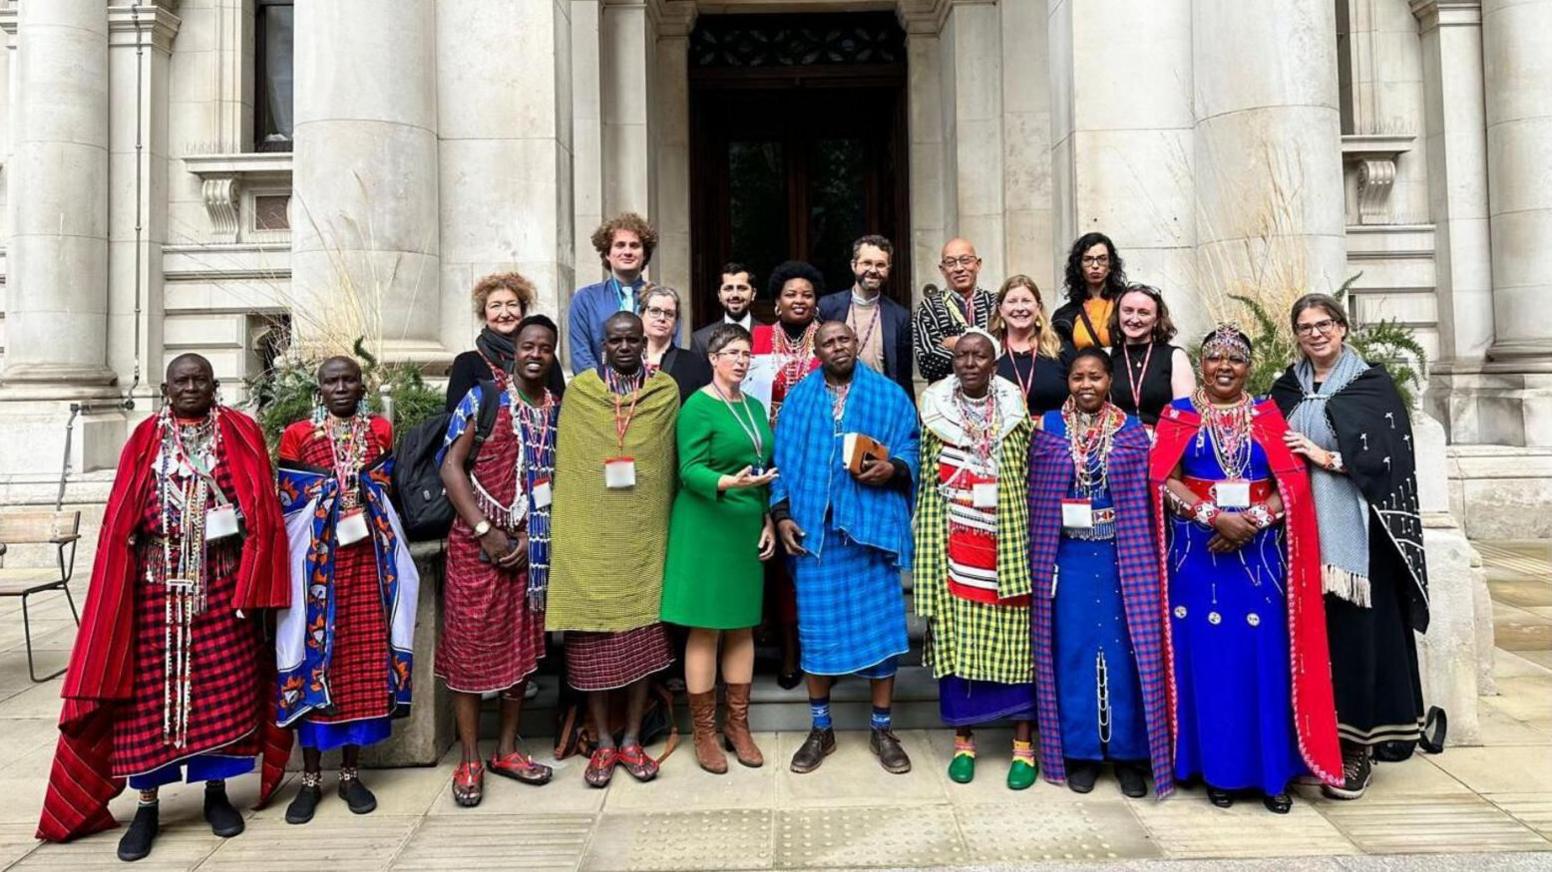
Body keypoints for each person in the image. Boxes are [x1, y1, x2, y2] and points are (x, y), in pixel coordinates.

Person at [37, 355, 291, 861]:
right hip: (154, 589)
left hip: (220, 587)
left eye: (201, 379)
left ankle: (216, 796)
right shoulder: (144, 440)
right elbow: (119, 518)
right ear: (166, 388)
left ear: (215, 386)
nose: (191, 387)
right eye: (182, 380)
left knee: (226, 688)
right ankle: (148, 806)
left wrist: (240, 524)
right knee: (148, 702)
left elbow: (263, 505)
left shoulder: (240, 432)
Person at [1150, 325, 1342, 813]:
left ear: (1249, 368)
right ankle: (1218, 771)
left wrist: (1253, 520)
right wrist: (1213, 516)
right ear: (1202, 365)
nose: (1224, 367)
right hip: (1197, 554)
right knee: (1210, 665)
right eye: (1214, 358)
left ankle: (1272, 774)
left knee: (1265, 661)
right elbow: (1163, 480)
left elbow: (1292, 483)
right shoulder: (1180, 415)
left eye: (1234, 360)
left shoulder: (1267, 416)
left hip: (1260, 559)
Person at [1272, 293, 1429, 800]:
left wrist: (1324, 456)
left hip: (1356, 544)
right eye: (1305, 327)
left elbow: (1390, 461)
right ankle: (1311, 741)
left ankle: (1356, 748)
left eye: (1323, 324)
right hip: (1296, 534)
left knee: (1355, 638)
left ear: (1342, 328)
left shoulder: (1371, 387)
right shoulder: (1285, 389)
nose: (1315, 334)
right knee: (1307, 640)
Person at [275, 356, 421, 823]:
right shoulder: (298, 435)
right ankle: (312, 779)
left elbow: (388, 488)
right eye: (331, 380)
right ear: (318, 388)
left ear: (362, 384)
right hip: (316, 569)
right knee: (316, 660)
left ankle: (351, 775)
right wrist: (329, 497)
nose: (341, 387)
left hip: (368, 565)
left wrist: (360, 492)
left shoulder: (379, 429)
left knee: (361, 663)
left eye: (349, 380)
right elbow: (289, 502)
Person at [772, 321, 920, 775]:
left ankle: (882, 729)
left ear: (856, 344)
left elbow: (913, 448)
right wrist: (781, 517)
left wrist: (893, 469)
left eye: (844, 340)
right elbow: (778, 461)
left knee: (883, 633)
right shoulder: (798, 399)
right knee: (815, 634)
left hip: (870, 532)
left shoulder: (889, 394)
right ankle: (821, 729)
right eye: (828, 342)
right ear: (816, 350)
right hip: (817, 536)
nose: (837, 347)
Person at [1027, 348, 1173, 798]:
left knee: (1126, 653)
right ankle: (1081, 753)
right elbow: (1037, 490)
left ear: (1110, 380)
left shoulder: (1133, 431)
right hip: (1067, 559)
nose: (1086, 385)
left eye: (1095, 377)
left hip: (1120, 558)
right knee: (1071, 653)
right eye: (1077, 378)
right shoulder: (1047, 428)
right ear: (1067, 381)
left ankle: (1129, 755)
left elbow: (1147, 495)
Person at [549, 312, 680, 787]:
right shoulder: (582, 392)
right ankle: (603, 741)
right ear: (603, 344)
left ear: (645, 342)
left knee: (642, 639)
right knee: (593, 645)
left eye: (632, 339)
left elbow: (667, 459)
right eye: (615, 339)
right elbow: (573, 463)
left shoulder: (663, 391)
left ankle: (631, 740)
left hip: (644, 536)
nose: (624, 346)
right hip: (589, 538)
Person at [437, 315, 564, 806]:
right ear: (514, 351)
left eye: (545, 348)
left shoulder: (556, 408)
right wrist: (486, 532)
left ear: (553, 356)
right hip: (477, 544)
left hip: (530, 547)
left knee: (521, 651)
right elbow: (451, 466)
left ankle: (508, 749)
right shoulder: (485, 399)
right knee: (469, 651)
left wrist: (533, 539)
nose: (535, 354)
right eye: (528, 345)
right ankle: (469, 757)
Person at [913, 329, 1038, 790]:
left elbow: (1029, 469)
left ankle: (1023, 748)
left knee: (1016, 647)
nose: (969, 362)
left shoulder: (1015, 412)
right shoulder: (934, 414)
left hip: (1006, 546)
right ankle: (963, 743)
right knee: (957, 641)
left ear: (994, 362)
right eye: (962, 355)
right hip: (953, 543)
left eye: (979, 355)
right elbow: (925, 479)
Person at [661, 323, 778, 773]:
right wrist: (730, 482)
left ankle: (738, 725)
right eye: (732, 352)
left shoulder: (752, 405)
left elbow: (762, 466)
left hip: (745, 523)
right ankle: (705, 733)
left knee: (742, 626)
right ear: (713, 358)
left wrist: (766, 516)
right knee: (706, 629)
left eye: (746, 353)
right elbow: (689, 470)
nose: (741, 360)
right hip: (706, 525)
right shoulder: (697, 406)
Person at [752, 260, 823, 689]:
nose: (799, 300)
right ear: (776, 303)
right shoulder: (757, 339)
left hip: (813, 463)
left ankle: (800, 650)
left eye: (807, 295)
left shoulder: (829, 340)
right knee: (768, 556)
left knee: (800, 555)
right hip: (764, 456)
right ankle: (769, 637)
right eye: (791, 294)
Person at [446, 271, 566, 412]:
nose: (505, 313)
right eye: (496, 306)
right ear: (484, 313)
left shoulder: (541, 357)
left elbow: (562, 409)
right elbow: (455, 418)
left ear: (522, 310)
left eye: (512, 304)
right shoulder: (467, 363)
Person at [816, 235, 915, 400]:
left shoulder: (900, 317)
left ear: (888, 269)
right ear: (854, 265)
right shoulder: (828, 307)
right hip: (833, 399)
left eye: (881, 265)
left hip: (880, 400)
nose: (873, 270)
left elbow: (903, 376)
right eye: (867, 263)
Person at [568, 212, 656, 373]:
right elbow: (581, 355)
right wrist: (604, 391)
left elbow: (671, 352)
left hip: (651, 392)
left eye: (634, 245)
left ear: (645, 255)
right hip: (599, 393)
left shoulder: (661, 299)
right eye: (620, 245)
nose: (627, 252)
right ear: (607, 253)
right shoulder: (585, 300)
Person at [1107, 284, 1194, 427]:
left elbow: (1184, 415)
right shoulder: (1105, 356)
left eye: (1143, 313)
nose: (1134, 319)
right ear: (1118, 314)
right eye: (1128, 311)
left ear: (1157, 319)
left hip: (1162, 442)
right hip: (1116, 445)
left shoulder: (1175, 357)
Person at [914, 238, 996, 384]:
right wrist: (984, 352)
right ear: (942, 269)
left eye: (965, 260)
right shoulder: (928, 308)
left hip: (993, 394)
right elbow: (927, 364)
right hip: (945, 398)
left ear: (978, 264)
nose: (959, 268)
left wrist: (956, 345)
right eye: (951, 262)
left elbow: (1006, 355)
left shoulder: (996, 304)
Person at [990, 274, 1068, 414]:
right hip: (1003, 434)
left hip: (1052, 434)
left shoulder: (1061, 349)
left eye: (1026, 301)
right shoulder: (988, 353)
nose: (1019, 308)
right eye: (1012, 301)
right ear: (1000, 309)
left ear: (1038, 307)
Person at [1052, 232, 1127, 352]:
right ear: (1079, 265)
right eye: (1088, 259)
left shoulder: (1126, 304)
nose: (1095, 265)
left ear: (1111, 264)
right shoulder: (1065, 314)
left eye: (1102, 259)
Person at [640, 285, 713, 403]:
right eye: (655, 311)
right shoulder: (626, 359)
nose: (662, 318)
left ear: (675, 323)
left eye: (669, 314)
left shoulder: (694, 364)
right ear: (641, 315)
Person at [692, 263, 764, 353]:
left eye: (742, 288)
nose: (735, 295)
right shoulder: (701, 340)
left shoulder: (769, 336)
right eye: (728, 288)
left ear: (753, 294)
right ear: (719, 295)